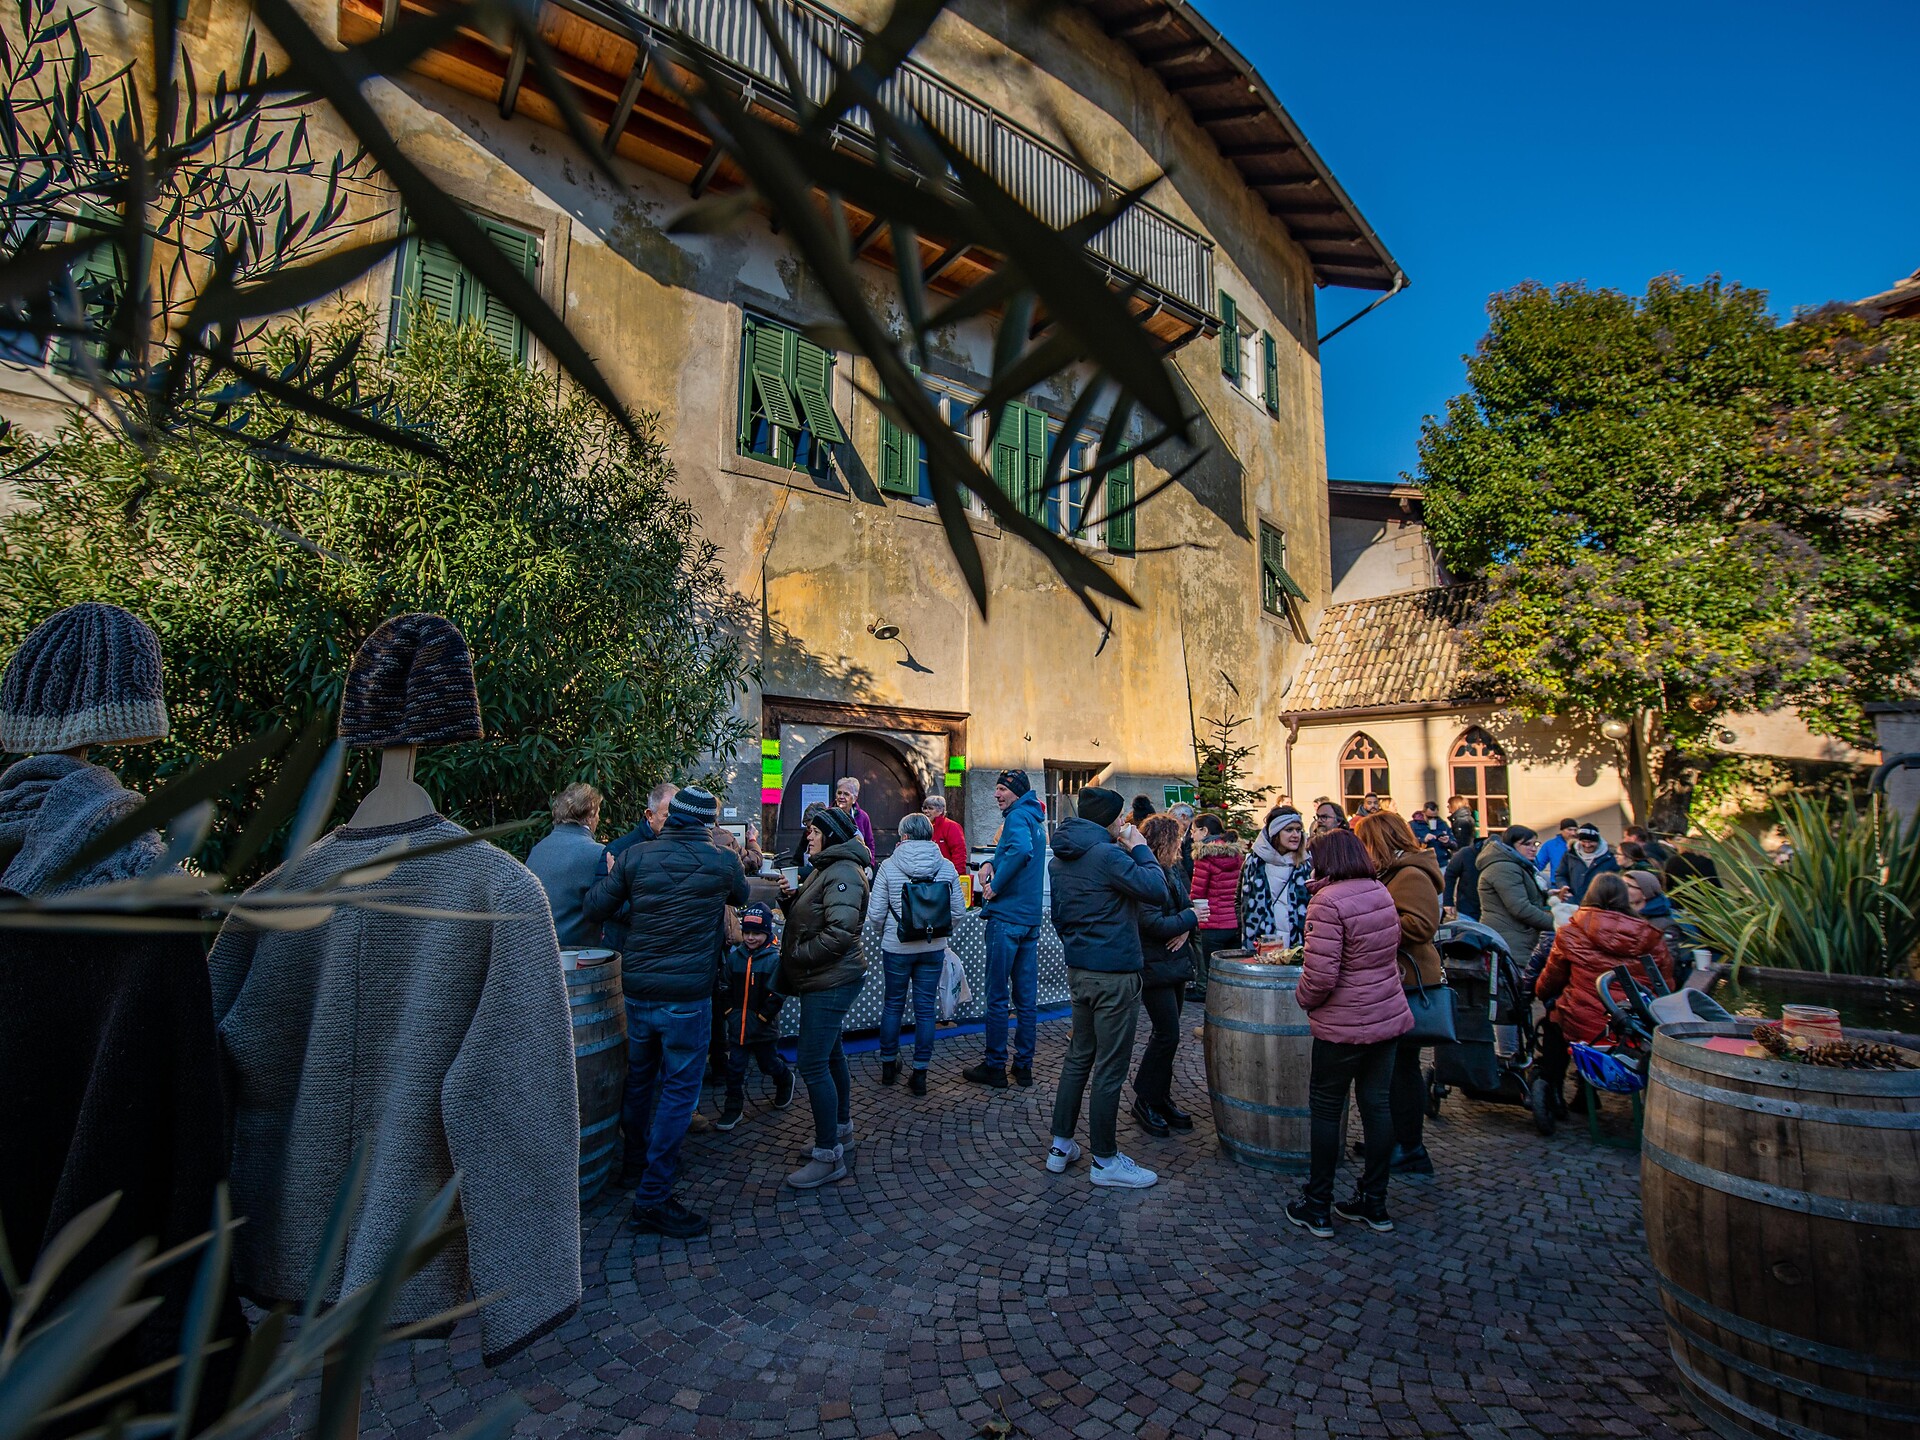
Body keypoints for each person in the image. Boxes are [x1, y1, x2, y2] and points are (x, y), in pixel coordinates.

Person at [582, 785, 747, 1240]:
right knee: (678, 1091)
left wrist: (616, 881)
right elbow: (741, 893)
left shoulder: (635, 856)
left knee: (639, 1080)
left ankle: (634, 1166)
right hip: (688, 996)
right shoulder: (721, 861)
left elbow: (595, 907)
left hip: (638, 990)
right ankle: (653, 1196)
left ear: (671, 817)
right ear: (708, 823)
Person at [1285, 829, 1412, 1238]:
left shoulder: (1327, 901)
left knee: (1326, 1108)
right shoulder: (1380, 891)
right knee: (1377, 1106)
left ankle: (1318, 1204)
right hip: (1386, 1013)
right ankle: (1375, 1201)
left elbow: (1321, 976)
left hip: (1343, 1023)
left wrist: (1303, 998)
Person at [1042, 787, 1167, 1187]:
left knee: (1078, 1057)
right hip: (1114, 972)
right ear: (1109, 820)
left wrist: (1081, 947)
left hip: (1081, 969)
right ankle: (1105, 1160)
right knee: (1110, 1067)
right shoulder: (1108, 855)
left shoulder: (1061, 858)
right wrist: (1141, 848)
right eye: (1121, 817)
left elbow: (1059, 918)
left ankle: (1060, 1146)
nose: (1125, 822)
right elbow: (1157, 889)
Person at [777, 806, 873, 1188]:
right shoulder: (827, 867)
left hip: (830, 980)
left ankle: (828, 1155)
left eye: (815, 831)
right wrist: (790, 901)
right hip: (824, 977)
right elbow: (815, 915)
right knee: (831, 1056)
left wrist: (798, 954)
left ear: (831, 835)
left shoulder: (843, 871)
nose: (809, 836)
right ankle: (840, 1131)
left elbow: (840, 933)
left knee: (812, 1063)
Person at [1533, 873, 1674, 1117]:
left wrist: (1541, 993)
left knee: (1554, 1021)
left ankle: (1554, 1089)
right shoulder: (1651, 938)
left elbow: (1551, 980)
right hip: (1631, 1025)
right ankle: (1585, 1090)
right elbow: (1665, 984)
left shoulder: (1570, 933)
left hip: (1579, 1020)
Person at [1355, 811, 1443, 1177]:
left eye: (1364, 842)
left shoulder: (1411, 874)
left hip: (1409, 983)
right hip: (1392, 982)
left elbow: (1421, 925)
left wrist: (1370, 921)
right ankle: (1389, 1138)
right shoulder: (1393, 872)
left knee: (1402, 1069)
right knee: (1388, 1069)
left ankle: (1410, 1147)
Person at [870, 812, 965, 1095]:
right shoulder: (946, 866)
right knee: (925, 1009)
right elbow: (958, 912)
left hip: (897, 946)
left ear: (904, 836)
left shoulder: (889, 866)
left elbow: (876, 914)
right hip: (933, 947)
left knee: (893, 1005)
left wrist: (886, 932)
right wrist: (938, 931)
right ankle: (920, 1072)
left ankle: (889, 1066)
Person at [965, 770, 1047, 1089]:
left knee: (998, 996)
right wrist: (991, 863)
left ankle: (995, 1065)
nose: (996, 794)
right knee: (1026, 999)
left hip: (1007, 919)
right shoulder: (1034, 818)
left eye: (1002, 789)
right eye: (996, 788)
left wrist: (995, 885)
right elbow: (1019, 854)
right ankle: (1023, 1067)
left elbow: (1021, 851)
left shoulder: (1016, 817)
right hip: (1029, 919)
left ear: (1017, 792)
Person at [1130, 814, 1199, 1138]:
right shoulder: (1146, 874)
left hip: (1174, 962)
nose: (1182, 844)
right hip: (1154, 964)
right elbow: (1151, 923)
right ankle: (1144, 1099)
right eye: (1178, 838)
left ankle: (1160, 1096)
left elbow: (1188, 907)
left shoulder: (1171, 870)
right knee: (1166, 1034)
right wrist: (1187, 920)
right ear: (1165, 842)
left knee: (1168, 1035)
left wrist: (1185, 926)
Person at [716, 904, 794, 1130]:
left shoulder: (773, 960)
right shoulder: (735, 958)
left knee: (767, 1063)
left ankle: (784, 1078)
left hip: (763, 1028)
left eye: (756, 933)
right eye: (747, 932)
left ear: (767, 933)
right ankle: (733, 1106)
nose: (750, 937)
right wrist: (729, 1013)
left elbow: (778, 993)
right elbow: (724, 986)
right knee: (735, 1068)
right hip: (737, 1027)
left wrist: (762, 1017)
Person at [526, 783, 609, 948]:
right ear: (590, 816)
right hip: (577, 952)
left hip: (534, 947)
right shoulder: (597, 853)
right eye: (598, 813)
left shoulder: (537, 850)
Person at [600, 779, 677, 950]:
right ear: (650, 815)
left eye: (677, 815)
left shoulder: (685, 850)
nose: (674, 822)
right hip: (627, 945)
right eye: (667, 816)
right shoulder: (619, 850)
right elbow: (601, 904)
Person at [1476, 824, 1554, 969]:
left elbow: (1526, 897)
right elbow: (1521, 908)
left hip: (1519, 940)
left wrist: (1549, 895)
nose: (1533, 849)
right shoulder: (1504, 867)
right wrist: (1557, 924)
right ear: (1511, 845)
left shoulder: (1519, 865)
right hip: (1511, 942)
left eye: (1535, 844)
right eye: (1527, 844)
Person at [1238, 806, 1311, 949]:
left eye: (1298, 830)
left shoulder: (1305, 863)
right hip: (1264, 943)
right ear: (1275, 832)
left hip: (1298, 944)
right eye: (1289, 830)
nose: (1296, 835)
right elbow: (1240, 901)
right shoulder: (1254, 862)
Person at [1187, 822, 1244, 999]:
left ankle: (1215, 1007)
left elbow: (1198, 893)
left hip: (1212, 923)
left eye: (1194, 830)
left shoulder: (1204, 856)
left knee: (1213, 972)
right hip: (1235, 922)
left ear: (1205, 830)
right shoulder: (1237, 855)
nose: (1191, 835)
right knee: (1233, 972)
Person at [1554, 823, 1618, 904]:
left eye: (1591, 842)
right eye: (1584, 841)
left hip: (1600, 905)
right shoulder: (1570, 855)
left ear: (1598, 841)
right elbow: (1560, 875)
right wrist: (1564, 886)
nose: (1587, 845)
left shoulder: (1610, 857)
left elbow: (1616, 882)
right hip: (1573, 903)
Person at [1441, 816, 1482, 920]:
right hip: (1467, 909)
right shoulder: (1466, 853)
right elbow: (1450, 874)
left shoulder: (1501, 857)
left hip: (1491, 911)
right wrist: (1448, 901)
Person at [923, 793, 968, 874]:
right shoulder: (923, 827)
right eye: (925, 808)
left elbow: (959, 852)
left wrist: (957, 874)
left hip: (946, 873)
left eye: (930, 808)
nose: (926, 811)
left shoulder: (952, 826)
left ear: (940, 810)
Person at [835, 775, 876, 856]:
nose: (841, 797)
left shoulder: (863, 817)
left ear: (854, 799)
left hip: (856, 861)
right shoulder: (827, 814)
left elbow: (870, 844)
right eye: (839, 793)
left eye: (846, 794)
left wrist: (870, 862)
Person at [1534, 819, 1580, 890]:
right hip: (1557, 886)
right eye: (1569, 830)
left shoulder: (1582, 845)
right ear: (1562, 830)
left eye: (1575, 830)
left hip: (1578, 886)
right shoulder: (1550, 845)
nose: (1573, 833)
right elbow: (1538, 865)